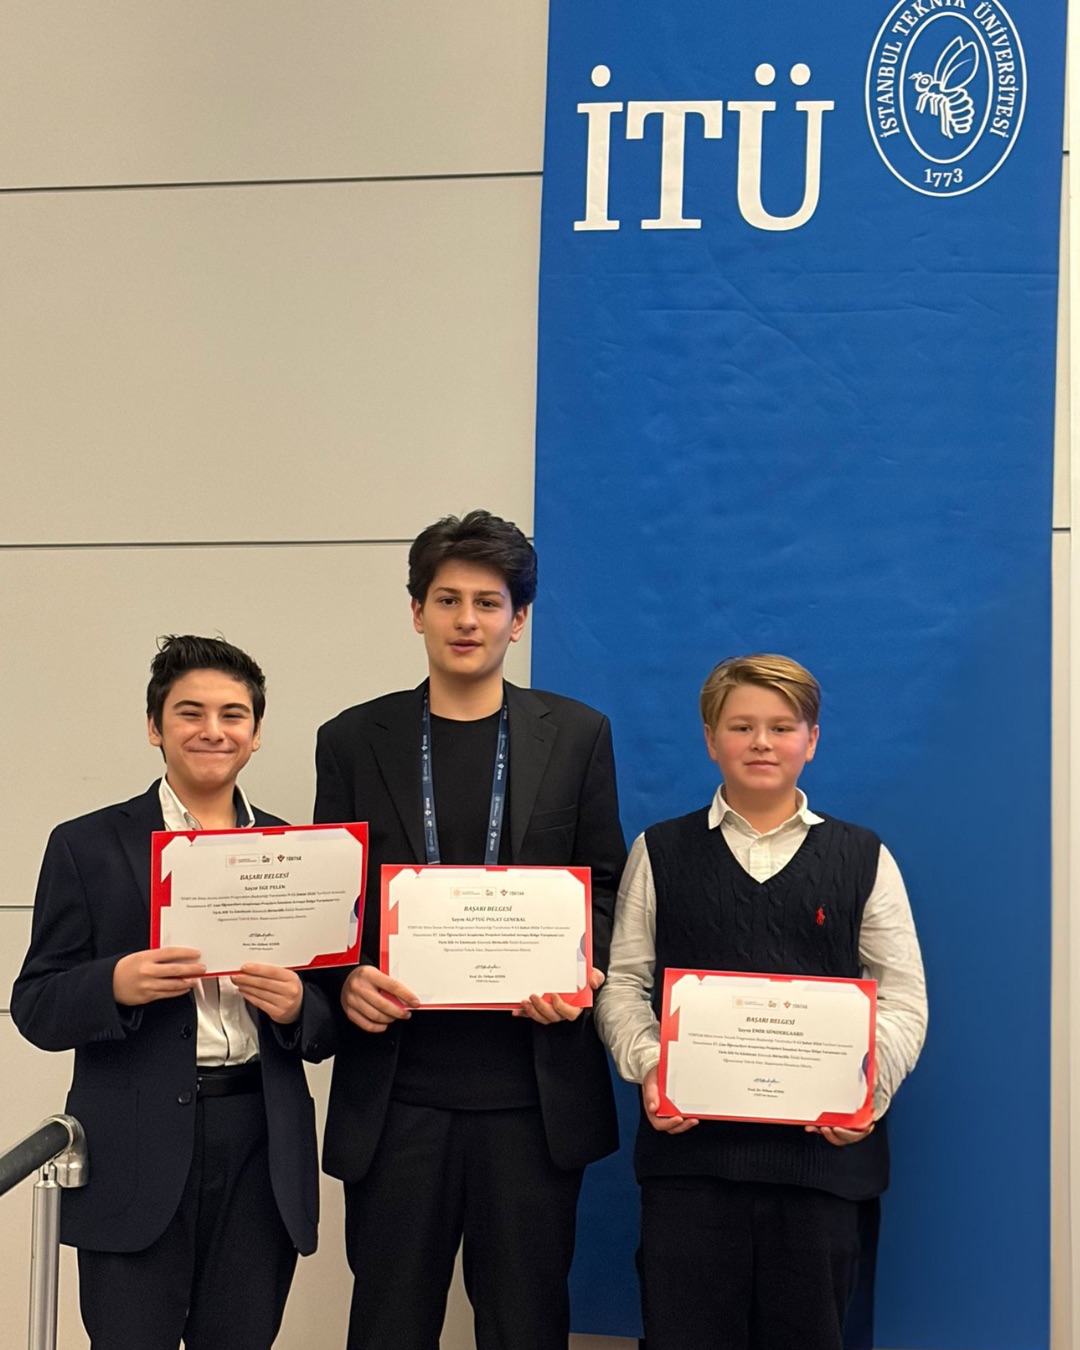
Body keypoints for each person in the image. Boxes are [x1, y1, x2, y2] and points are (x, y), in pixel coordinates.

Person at [312, 509, 626, 1350]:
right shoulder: (352, 739)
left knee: (526, 1327)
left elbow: (605, 883)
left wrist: (582, 970)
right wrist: (345, 977)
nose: (467, 620)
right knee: (388, 1326)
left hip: (532, 1100)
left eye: (489, 603)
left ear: (518, 621)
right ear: (416, 611)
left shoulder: (578, 735)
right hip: (398, 1095)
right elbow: (329, 904)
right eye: (447, 600)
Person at [596, 653, 927, 1350]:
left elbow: (903, 997)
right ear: (711, 738)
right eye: (741, 726)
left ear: (812, 739)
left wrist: (868, 1089)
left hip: (822, 1174)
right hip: (692, 1171)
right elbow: (623, 983)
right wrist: (653, 1067)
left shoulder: (864, 857)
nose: (761, 743)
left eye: (782, 727)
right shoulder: (660, 851)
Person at [11, 635, 332, 1350]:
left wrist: (297, 1009)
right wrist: (115, 984)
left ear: (256, 734)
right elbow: (35, 1005)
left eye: (233, 715)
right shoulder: (86, 845)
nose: (212, 730)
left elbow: (328, 1011)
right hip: (134, 1151)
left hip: (259, 1145)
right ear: (155, 726)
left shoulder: (297, 850)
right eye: (190, 712)